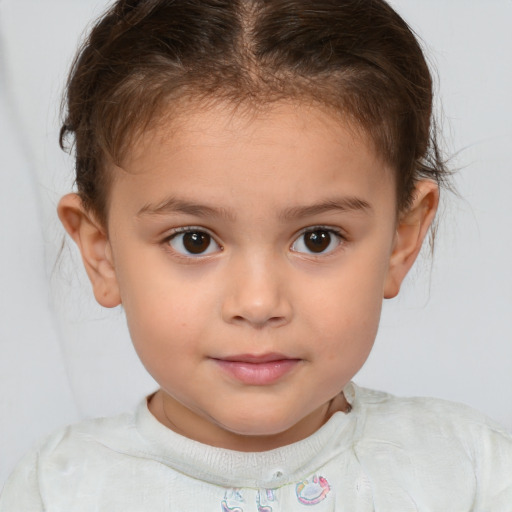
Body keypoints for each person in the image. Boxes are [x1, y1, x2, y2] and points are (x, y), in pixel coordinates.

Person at [1, 0, 511, 509]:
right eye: (194, 240)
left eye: (318, 238)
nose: (259, 302)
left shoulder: (471, 472)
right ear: (102, 254)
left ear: (401, 240)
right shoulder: (58, 490)